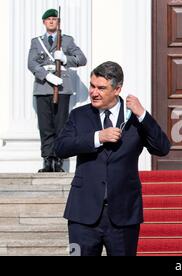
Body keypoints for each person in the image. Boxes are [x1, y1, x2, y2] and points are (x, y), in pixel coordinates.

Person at [55, 61, 171, 256]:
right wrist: (97, 137)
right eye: (92, 86)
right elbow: (61, 148)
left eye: (101, 88)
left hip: (124, 214)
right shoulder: (79, 115)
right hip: (83, 213)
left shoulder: (135, 119)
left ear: (117, 89)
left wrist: (143, 114)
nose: (93, 92)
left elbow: (162, 148)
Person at [28, 8, 87, 173]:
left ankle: (59, 160)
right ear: (44, 22)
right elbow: (31, 63)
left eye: (55, 19)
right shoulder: (36, 42)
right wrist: (47, 76)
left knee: (61, 125)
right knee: (45, 126)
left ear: (58, 22)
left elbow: (82, 59)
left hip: (61, 88)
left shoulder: (67, 41)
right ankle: (47, 160)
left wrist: (66, 59)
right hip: (42, 87)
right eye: (49, 19)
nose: (52, 21)